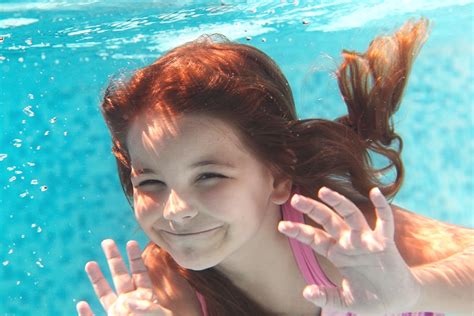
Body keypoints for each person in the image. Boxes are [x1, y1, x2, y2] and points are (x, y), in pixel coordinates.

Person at [76, 18, 473, 316]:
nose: (176, 210)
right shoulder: (162, 290)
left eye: (209, 175)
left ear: (280, 176)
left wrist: (413, 289)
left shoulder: (340, 240)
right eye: (151, 182)